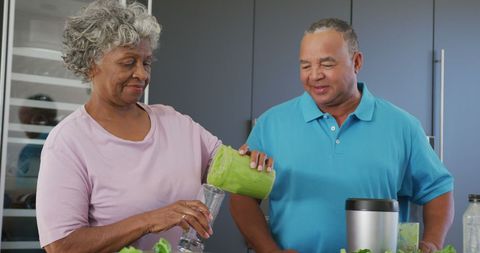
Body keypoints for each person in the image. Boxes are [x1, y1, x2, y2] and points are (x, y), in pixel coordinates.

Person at [35, 1, 269, 252]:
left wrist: (252, 163)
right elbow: (61, 246)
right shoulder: (68, 142)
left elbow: (230, 172)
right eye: (128, 63)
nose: (142, 74)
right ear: (92, 65)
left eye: (146, 63)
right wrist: (150, 220)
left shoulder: (175, 123)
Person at [231, 18, 454, 253]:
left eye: (327, 64)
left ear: (356, 62)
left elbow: (438, 190)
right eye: (305, 66)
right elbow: (242, 197)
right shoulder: (271, 124)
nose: (315, 75)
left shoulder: (403, 126)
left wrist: (432, 244)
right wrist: (269, 251)